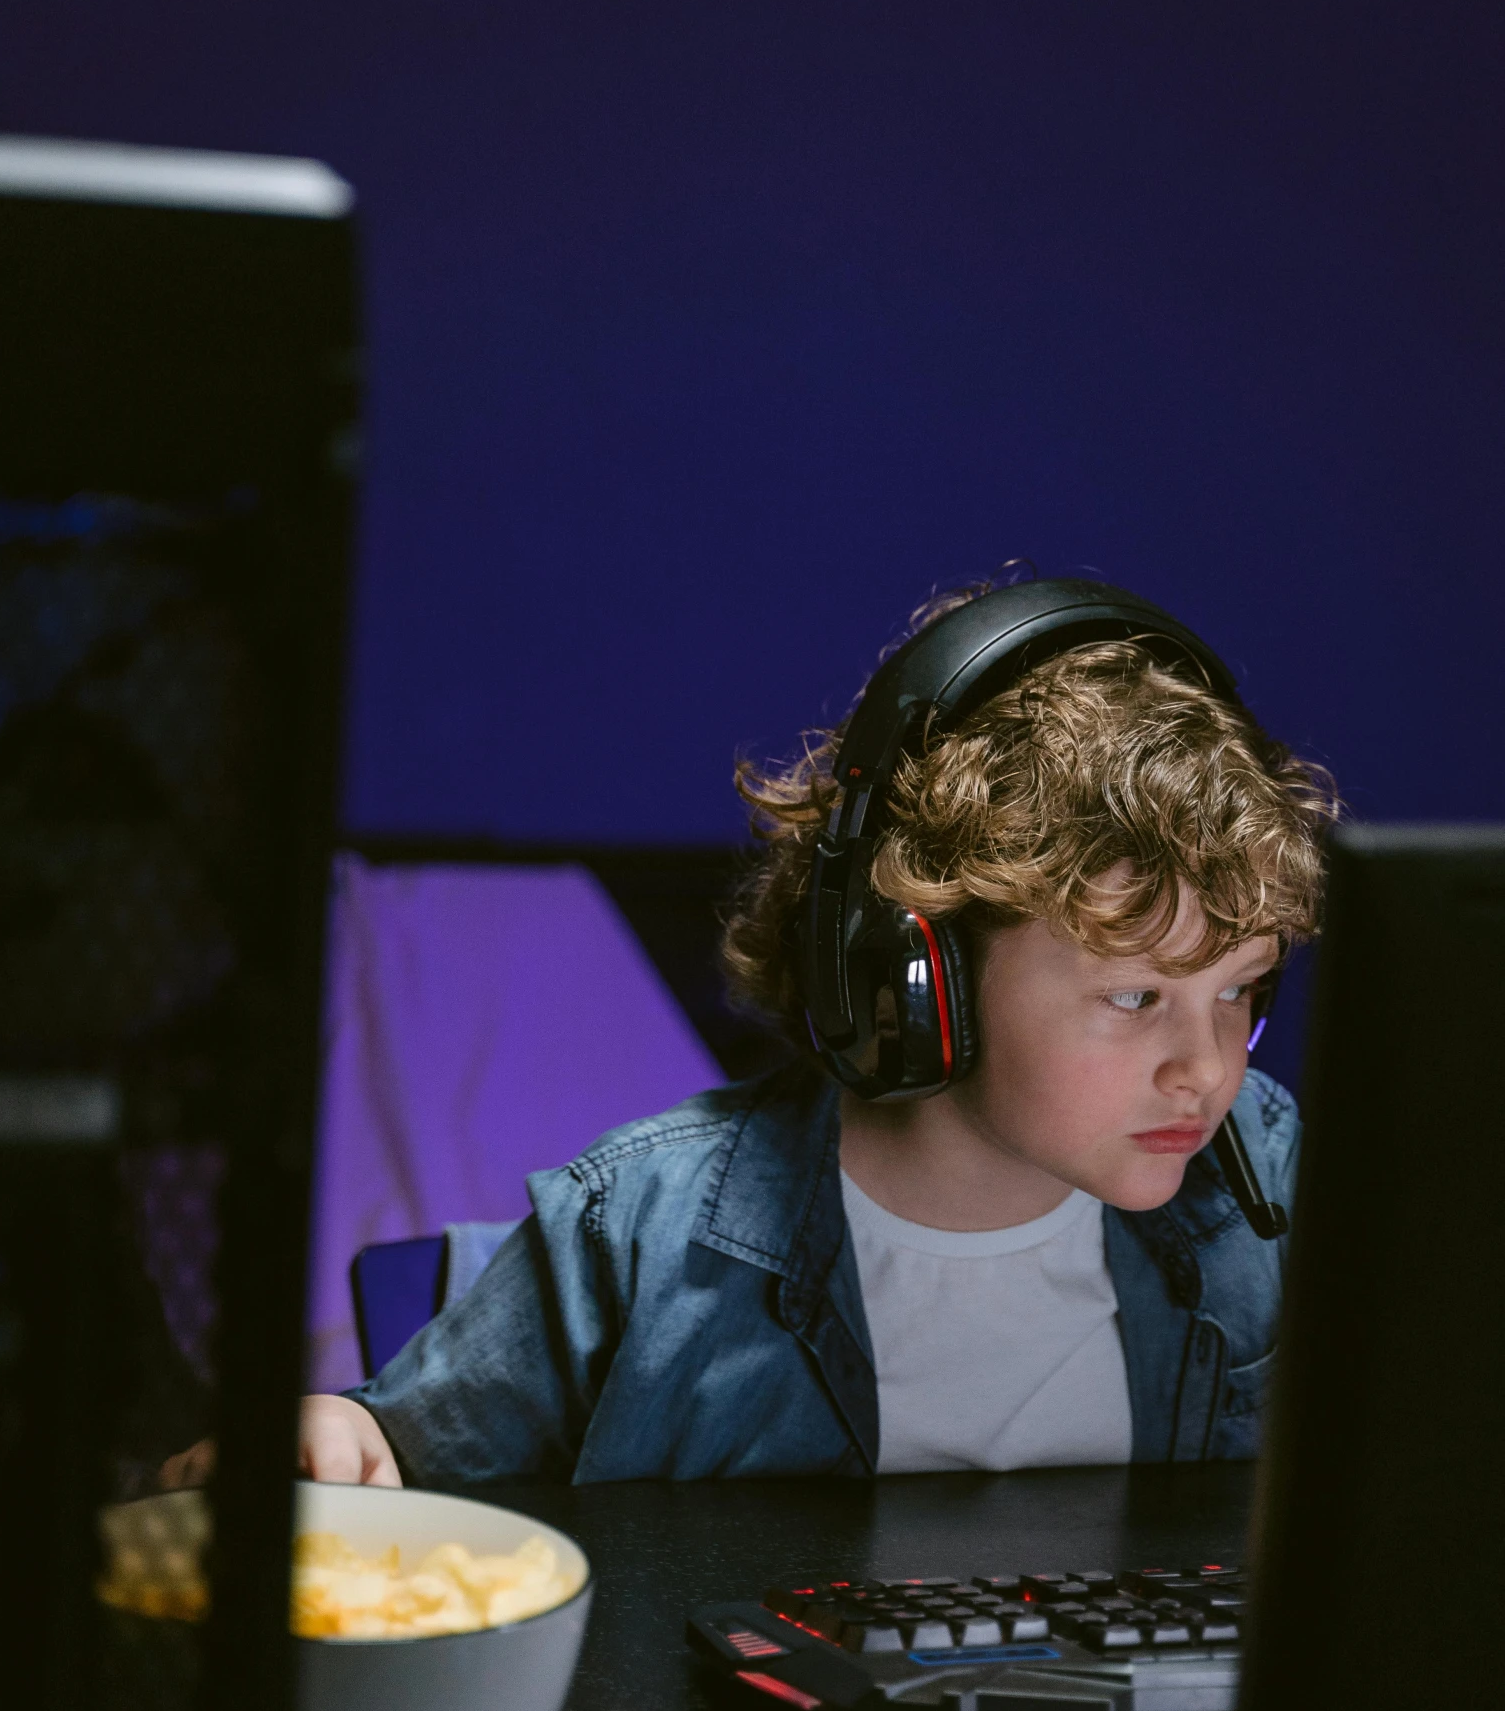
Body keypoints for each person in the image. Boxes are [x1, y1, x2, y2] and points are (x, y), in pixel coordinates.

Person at [292, 581, 1338, 1488]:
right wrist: (335, 1436)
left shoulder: (1269, 1173)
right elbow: (389, 1447)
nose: (1204, 1068)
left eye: (1239, 990)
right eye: (1133, 998)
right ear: (922, 975)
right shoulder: (642, 1233)